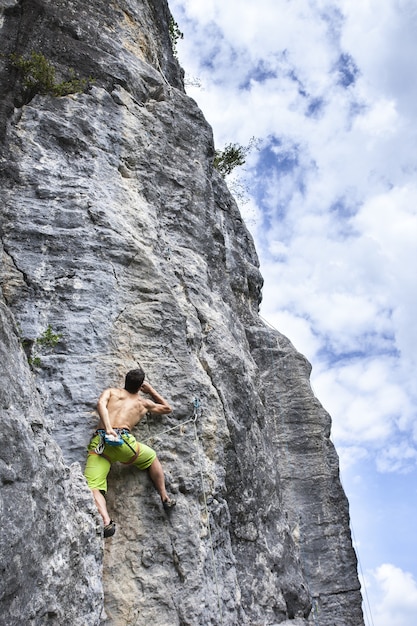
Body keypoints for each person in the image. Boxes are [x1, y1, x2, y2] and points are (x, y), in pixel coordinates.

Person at [84, 368, 176, 538]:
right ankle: (164, 497)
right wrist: (151, 391)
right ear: (140, 386)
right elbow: (167, 408)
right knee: (151, 457)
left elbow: (100, 405)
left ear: (124, 381)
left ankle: (106, 521)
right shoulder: (143, 403)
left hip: (100, 444)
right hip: (124, 444)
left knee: (93, 486)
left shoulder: (111, 392)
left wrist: (108, 428)